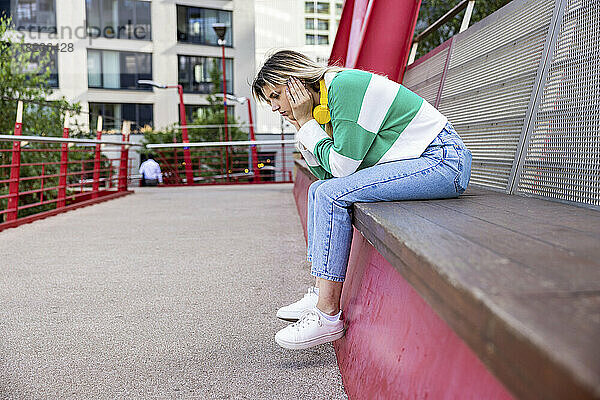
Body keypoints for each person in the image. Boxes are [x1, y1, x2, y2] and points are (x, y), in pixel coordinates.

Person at [252, 50, 472, 350]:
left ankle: (327, 315)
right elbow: (326, 175)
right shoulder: (321, 105)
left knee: (329, 195)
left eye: (277, 95)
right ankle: (319, 292)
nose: (276, 107)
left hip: (443, 162)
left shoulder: (344, 88)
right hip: (423, 163)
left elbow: (341, 168)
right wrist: (302, 125)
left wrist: (306, 125)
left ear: (296, 82)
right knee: (320, 191)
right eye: (271, 101)